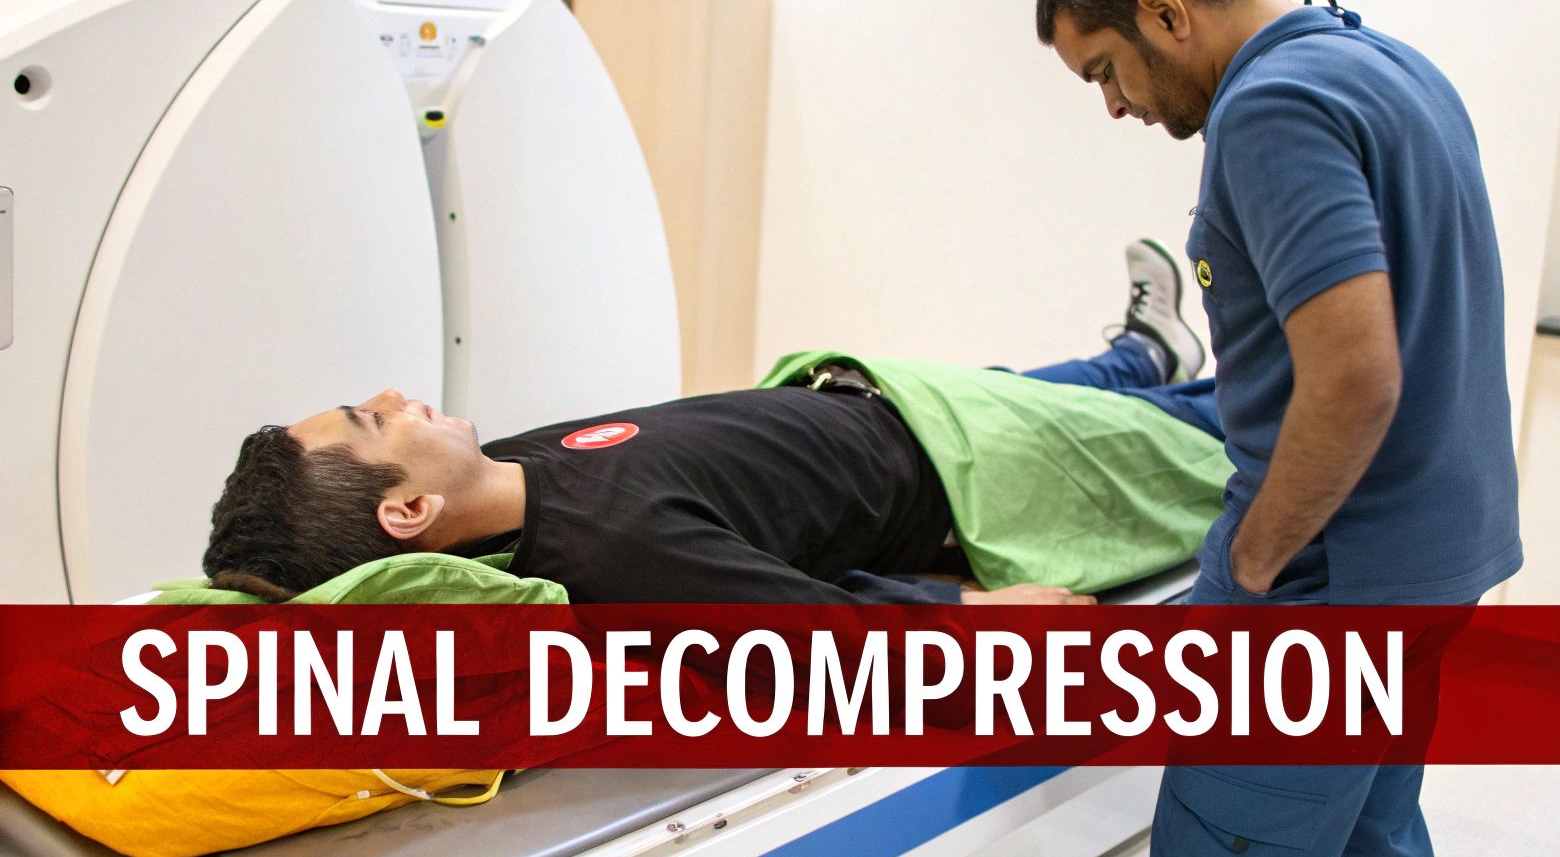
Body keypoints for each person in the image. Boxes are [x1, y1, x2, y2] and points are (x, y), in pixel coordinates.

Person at [1036, 0, 1521, 857]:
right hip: (1436, 564)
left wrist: (1254, 562)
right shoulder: (1393, 68)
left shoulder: (1268, 108)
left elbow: (1354, 372)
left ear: (1162, 11)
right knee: (1363, 846)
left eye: (1102, 72)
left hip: (1324, 585)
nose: (1112, 108)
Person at [202, 241, 1216, 607]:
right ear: (412, 509)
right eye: (368, 420)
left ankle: (1141, 354)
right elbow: (816, 626)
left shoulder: (502, 471)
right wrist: (963, 618)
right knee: (1213, 425)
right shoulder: (617, 550)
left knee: (1071, 384)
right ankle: (1174, 369)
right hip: (970, 464)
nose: (389, 392)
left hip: (884, 398)